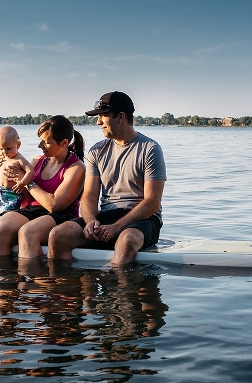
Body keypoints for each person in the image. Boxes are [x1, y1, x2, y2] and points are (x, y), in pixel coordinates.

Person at [48, 91, 166, 265]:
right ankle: (68, 289)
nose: (98, 122)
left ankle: (116, 290)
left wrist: (117, 227)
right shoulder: (96, 151)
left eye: (103, 116)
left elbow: (152, 202)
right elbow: (89, 195)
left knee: (126, 241)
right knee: (58, 235)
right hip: (106, 215)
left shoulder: (150, 149)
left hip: (143, 219)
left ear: (121, 117)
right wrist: (90, 222)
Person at [0, 116, 86, 258]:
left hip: (60, 216)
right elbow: (21, 191)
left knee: (27, 232)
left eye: (46, 142)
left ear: (64, 143)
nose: (40, 146)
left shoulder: (76, 168)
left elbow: (54, 205)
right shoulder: (37, 160)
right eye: (40, 140)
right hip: (31, 211)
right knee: (2, 226)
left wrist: (28, 182)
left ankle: (29, 279)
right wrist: (2, 171)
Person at [0, 126, 35, 225]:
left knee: (7, 214)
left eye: (8, 148)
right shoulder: (3, 155)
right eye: (1, 149)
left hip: (11, 193)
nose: (4, 152)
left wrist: (22, 183)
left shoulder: (19, 159)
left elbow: (31, 171)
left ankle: (6, 230)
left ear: (18, 145)